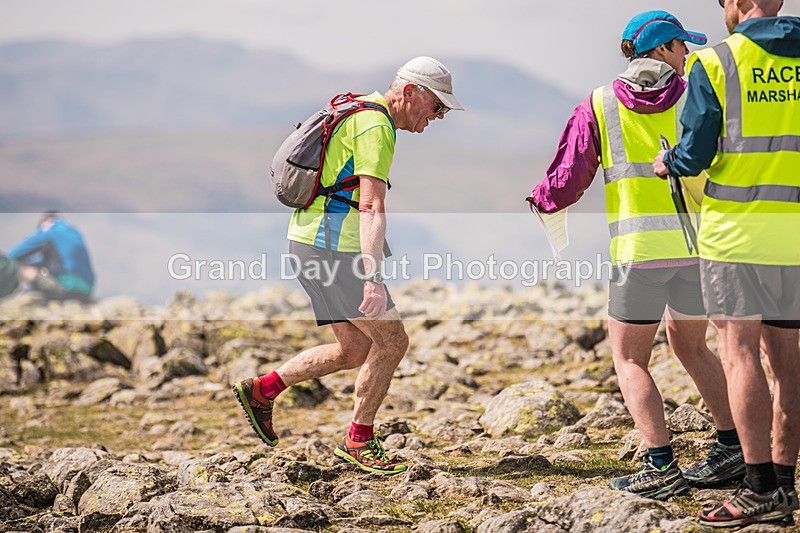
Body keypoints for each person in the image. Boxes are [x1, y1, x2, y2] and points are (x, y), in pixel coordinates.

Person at [527, 11, 745, 500]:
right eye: (682, 45)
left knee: (629, 358)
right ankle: (731, 447)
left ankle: (660, 465)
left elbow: (568, 178)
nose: (687, 53)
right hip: (697, 248)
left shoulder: (599, 104)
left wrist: (542, 199)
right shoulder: (697, 94)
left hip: (638, 253)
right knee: (694, 347)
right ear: (663, 48)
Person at [234, 57, 463, 475]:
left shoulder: (359, 109)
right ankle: (359, 441)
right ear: (410, 92)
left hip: (308, 243)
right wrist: (372, 278)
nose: (439, 116)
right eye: (437, 106)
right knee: (392, 341)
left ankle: (263, 390)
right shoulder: (376, 126)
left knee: (354, 348)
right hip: (333, 250)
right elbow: (371, 206)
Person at [655, 0, 800, 526]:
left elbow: (694, 153)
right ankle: (784, 485)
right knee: (788, 362)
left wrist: (668, 161)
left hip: (736, 235)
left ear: (736, 2)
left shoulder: (715, 62)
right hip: (794, 234)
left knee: (739, 355)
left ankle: (758, 487)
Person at [7, 211, 95, 303]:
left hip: (66, 288)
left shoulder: (50, 231)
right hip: (86, 291)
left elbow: (14, 254)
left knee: (21, 268)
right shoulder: (75, 233)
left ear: (46, 222)